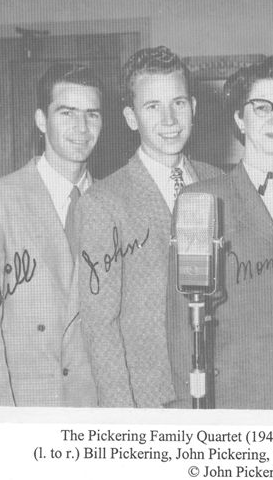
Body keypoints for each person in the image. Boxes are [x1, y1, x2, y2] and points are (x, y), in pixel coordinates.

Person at [71, 46, 221, 408]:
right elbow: (100, 327)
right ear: (131, 117)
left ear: (194, 107)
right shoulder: (103, 202)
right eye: (152, 106)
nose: (169, 119)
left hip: (221, 391)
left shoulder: (220, 184)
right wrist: (124, 415)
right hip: (151, 399)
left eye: (179, 103)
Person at [167, 56, 273, 409]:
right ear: (239, 118)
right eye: (262, 107)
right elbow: (181, 323)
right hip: (232, 400)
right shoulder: (201, 200)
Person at [0, 63, 103, 406]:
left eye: (92, 114)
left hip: (94, 408)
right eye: (67, 112)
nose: (82, 128)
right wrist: (4, 422)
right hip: (28, 405)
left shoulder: (110, 203)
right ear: (41, 120)